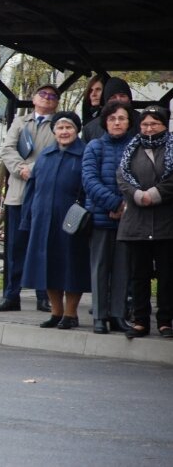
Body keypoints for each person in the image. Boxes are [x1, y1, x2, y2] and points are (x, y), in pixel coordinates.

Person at [0, 84, 60, 313]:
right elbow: (7, 149)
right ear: (33, 98)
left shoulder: (59, 124)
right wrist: (21, 169)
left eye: (52, 96)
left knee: (42, 247)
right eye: (43, 94)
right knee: (15, 248)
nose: (47, 99)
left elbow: (58, 152)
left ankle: (44, 296)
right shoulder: (20, 122)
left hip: (43, 195)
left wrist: (35, 169)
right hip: (18, 194)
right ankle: (11, 295)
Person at [21, 111, 91, 330]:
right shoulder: (45, 155)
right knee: (47, 265)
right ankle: (56, 312)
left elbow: (89, 188)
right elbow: (32, 189)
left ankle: (70, 314)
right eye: (60, 128)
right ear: (54, 131)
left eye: (68, 127)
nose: (64, 132)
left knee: (71, 266)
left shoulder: (85, 154)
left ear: (77, 130)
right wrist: (27, 218)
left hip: (71, 221)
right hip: (43, 219)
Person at [117, 105, 173, 339]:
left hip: (166, 222)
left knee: (167, 275)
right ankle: (140, 320)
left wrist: (156, 194)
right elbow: (122, 176)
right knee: (138, 274)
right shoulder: (132, 148)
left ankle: (165, 321)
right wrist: (138, 195)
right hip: (136, 221)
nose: (149, 128)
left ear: (164, 125)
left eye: (154, 124)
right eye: (145, 124)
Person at [82, 100, 134, 334]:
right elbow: (89, 181)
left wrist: (125, 205)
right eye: (112, 119)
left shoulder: (136, 146)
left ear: (128, 122)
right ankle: (100, 317)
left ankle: (118, 315)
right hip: (101, 217)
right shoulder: (94, 146)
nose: (117, 122)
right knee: (100, 268)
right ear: (105, 122)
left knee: (123, 269)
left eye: (121, 118)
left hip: (129, 218)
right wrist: (113, 204)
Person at [82, 77, 139, 143]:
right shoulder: (89, 129)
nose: (118, 100)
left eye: (122, 96)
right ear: (106, 101)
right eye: (113, 97)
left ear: (129, 99)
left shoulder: (143, 123)